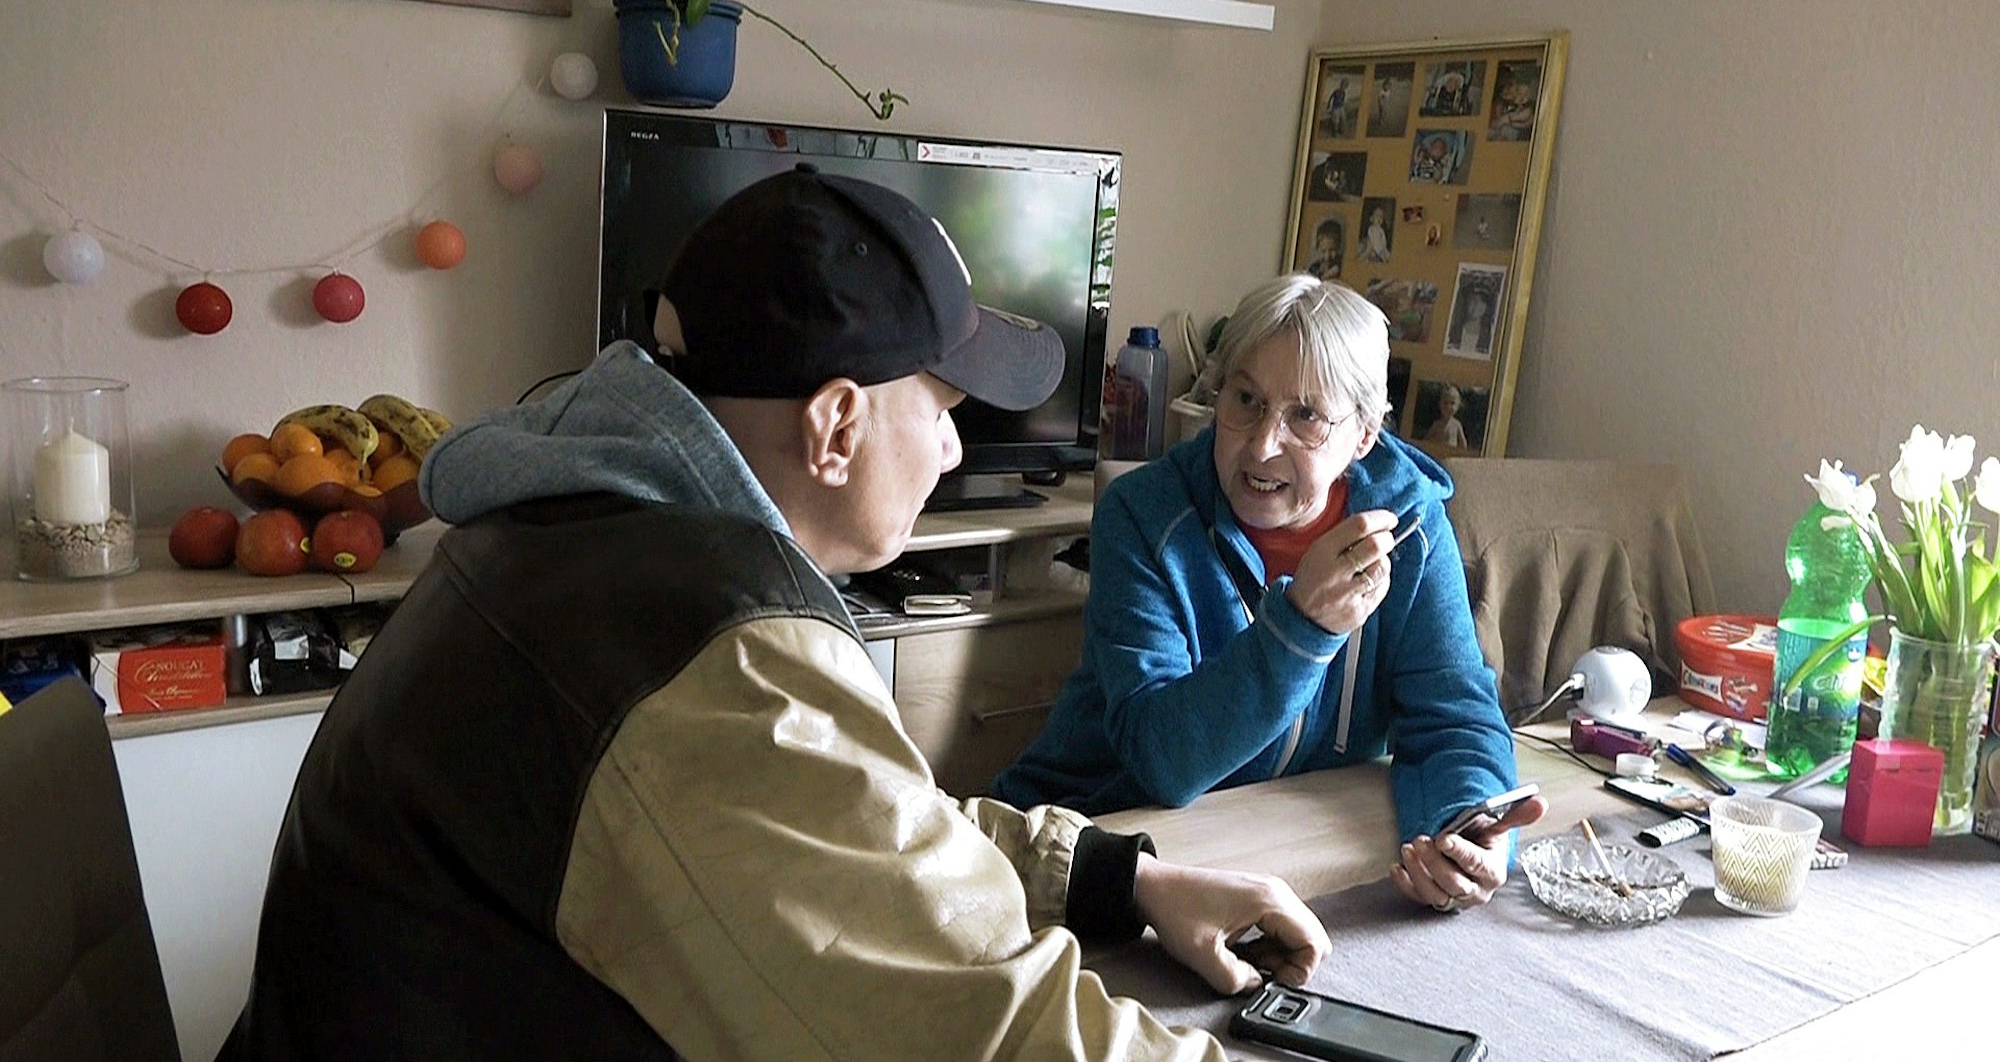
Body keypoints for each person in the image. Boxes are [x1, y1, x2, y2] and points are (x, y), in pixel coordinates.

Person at [223, 168, 1329, 1060]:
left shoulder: (561, 532)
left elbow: (854, 829)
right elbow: (993, 1035)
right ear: (835, 426)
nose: (953, 448)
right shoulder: (710, 665)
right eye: (943, 409)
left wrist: (1118, 878)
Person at [994, 274, 1542, 915]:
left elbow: (1454, 717)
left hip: (1269, 850)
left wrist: (1466, 828)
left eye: (1306, 416)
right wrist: (1304, 626)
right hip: (1088, 850)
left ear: (1364, 435)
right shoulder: (1142, 517)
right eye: (1246, 399)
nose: (1261, 444)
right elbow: (1161, 761)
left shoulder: (1409, 527)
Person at [1424, 384, 1467, 448]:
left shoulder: (1457, 425)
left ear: (1458, 406)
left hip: (1451, 455)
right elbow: (1426, 440)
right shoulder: (1437, 424)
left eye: (1452, 403)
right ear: (1440, 405)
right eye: (1445, 403)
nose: (1448, 407)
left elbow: (1463, 444)